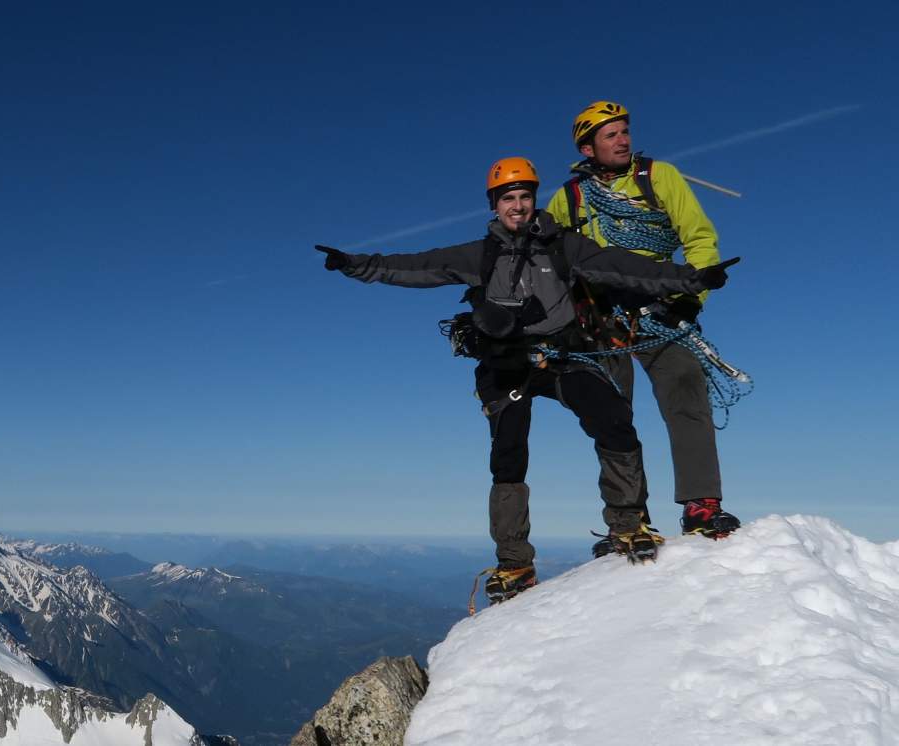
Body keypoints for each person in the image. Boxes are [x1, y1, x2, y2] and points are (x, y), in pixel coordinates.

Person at [314, 157, 739, 605]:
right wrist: (354, 264)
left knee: (612, 418)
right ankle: (514, 560)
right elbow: (416, 267)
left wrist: (691, 279)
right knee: (509, 453)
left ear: (534, 200)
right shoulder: (479, 255)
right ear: (495, 206)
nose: (516, 206)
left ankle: (627, 521)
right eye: (507, 198)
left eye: (523, 196)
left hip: (561, 357)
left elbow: (626, 268)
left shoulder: (566, 247)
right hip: (505, 365)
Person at [545, 101, 742, 545]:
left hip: (661, 306)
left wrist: (692, 299)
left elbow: (699, 237)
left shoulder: (659, 177)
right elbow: (548, 258)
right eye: (611, 134)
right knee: (610, 412)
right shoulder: (569, 199)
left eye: (624, 131)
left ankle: (701, 503)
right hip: (598, 314)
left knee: (686, 384)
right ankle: (628, 517)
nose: (623, 139)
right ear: (588, 147)